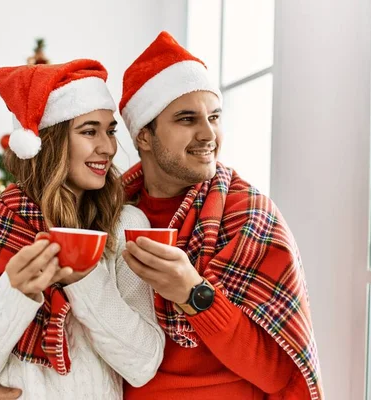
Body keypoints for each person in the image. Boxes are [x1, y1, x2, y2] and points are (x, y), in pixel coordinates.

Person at [0, 59, 164, 400]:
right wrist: (15, 291)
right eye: (89, 131)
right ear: (48, 142)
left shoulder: (125, 226)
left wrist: (83, 276)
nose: (107, 147)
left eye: (110, 130)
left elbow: (143, 363)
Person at [116, 32, 323, 400]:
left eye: (214, 117)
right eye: (187, 119)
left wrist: (192, 292)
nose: (209, 133)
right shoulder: (105, 214)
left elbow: (277, 374)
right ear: (144, 136)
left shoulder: (249, 215)